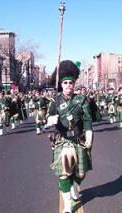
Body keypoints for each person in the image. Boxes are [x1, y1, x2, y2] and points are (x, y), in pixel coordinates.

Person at [47, 60, 93, 213]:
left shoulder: (82, 100)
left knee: (81, 173)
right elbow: (49, 117)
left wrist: (89, 136)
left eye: (70, 83)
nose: (68, 85)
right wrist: (50, 120)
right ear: (61, 84)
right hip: (63, 140)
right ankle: (67, 206)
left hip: (78, 139)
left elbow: (87, 119)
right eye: (65, 83)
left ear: (74, 84)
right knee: (64, 174)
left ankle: (75, 185)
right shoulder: (55, 100)